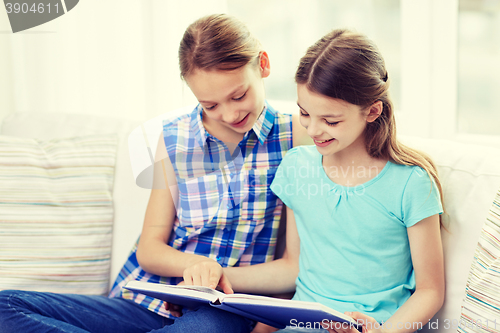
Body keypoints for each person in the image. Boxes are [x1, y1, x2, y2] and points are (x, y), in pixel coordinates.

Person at [0, 14, 309, 333]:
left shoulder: (295, 136)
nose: (229, 114)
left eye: (238, 95)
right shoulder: (175, 137)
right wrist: (195, 266)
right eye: (210, 105)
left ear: (263, 65)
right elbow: (149, 248)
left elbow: (292, 268)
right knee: (5, 306)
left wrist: (216, 277)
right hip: (145, 303)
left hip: (221, 310)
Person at [219, 29, 445, 333]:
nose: (313, 130)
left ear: (372, 110)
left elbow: (431, 291)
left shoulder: (412, 183)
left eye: (331, 120)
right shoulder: (297, 167)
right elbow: (292, 266)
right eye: (304, 113)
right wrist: (218, 277)